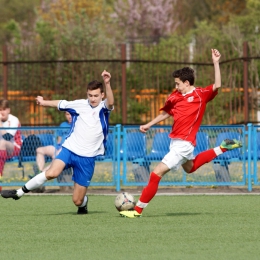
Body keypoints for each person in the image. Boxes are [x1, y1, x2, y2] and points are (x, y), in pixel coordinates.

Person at [119, 49, 242, 218]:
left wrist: (215, 62)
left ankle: (137, 211)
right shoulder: (176, 96)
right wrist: (148, 124)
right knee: (190, 168)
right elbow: (166, 113)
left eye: (177, 83)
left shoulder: (200, 94)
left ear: (186, 82)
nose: (175, 86)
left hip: (184, 143)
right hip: (175, 142)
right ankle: (222, 148)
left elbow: (217, 85)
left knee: (156, 174)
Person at [1, 70, 114, 215]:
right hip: (70, 149)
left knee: (77, 200)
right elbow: (60, 103)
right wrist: (43, 102)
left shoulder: (104, 108)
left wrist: (107, 83)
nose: (93, 99)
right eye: (90, 95)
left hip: (87, 157)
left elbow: (111, 102)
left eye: (96, 96)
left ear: (102, 95)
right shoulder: (79, 104)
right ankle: (19, 192)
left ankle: (83, 204)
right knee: (51, 173)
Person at [0, 99, 22, 177]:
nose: (2, 112)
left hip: (14, 147)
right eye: (0, 110)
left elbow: (8, 137)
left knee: (2, 143)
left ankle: (0, 175)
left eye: (4, 109)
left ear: (8, 110)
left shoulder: (14, 120)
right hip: (1, 149)